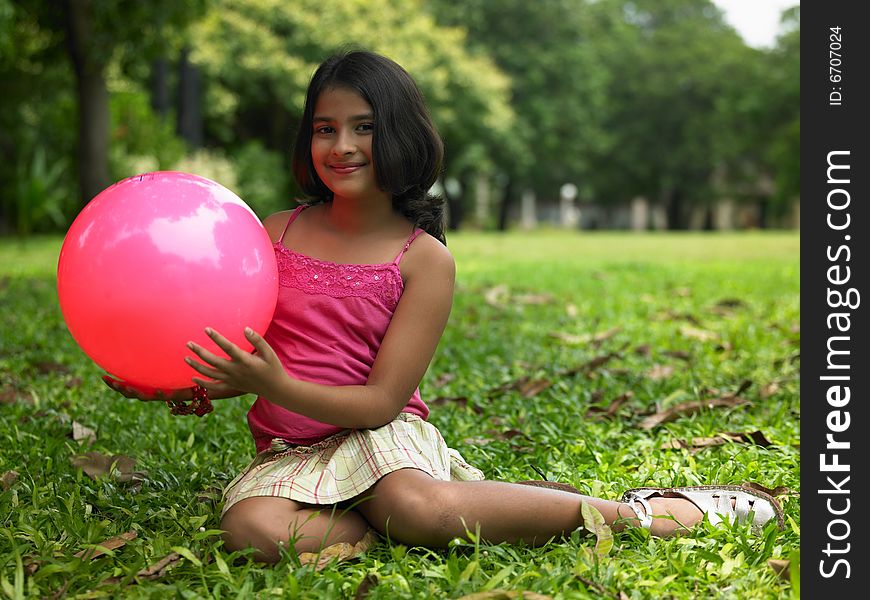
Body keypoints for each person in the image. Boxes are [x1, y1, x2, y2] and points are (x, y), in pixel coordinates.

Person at [105, 49, 784, 564]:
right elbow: (246, 354)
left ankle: (637, 513)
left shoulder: (423, 260)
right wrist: (185, 383)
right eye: (325, 128)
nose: (341, 147)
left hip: (383, 438)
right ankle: (386, 530)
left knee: (415, 506)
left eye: (363, 127)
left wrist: (273, 382)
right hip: (292, 451)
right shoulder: (272, 234)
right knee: (250, 530)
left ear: (400, 134)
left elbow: (378, 403)